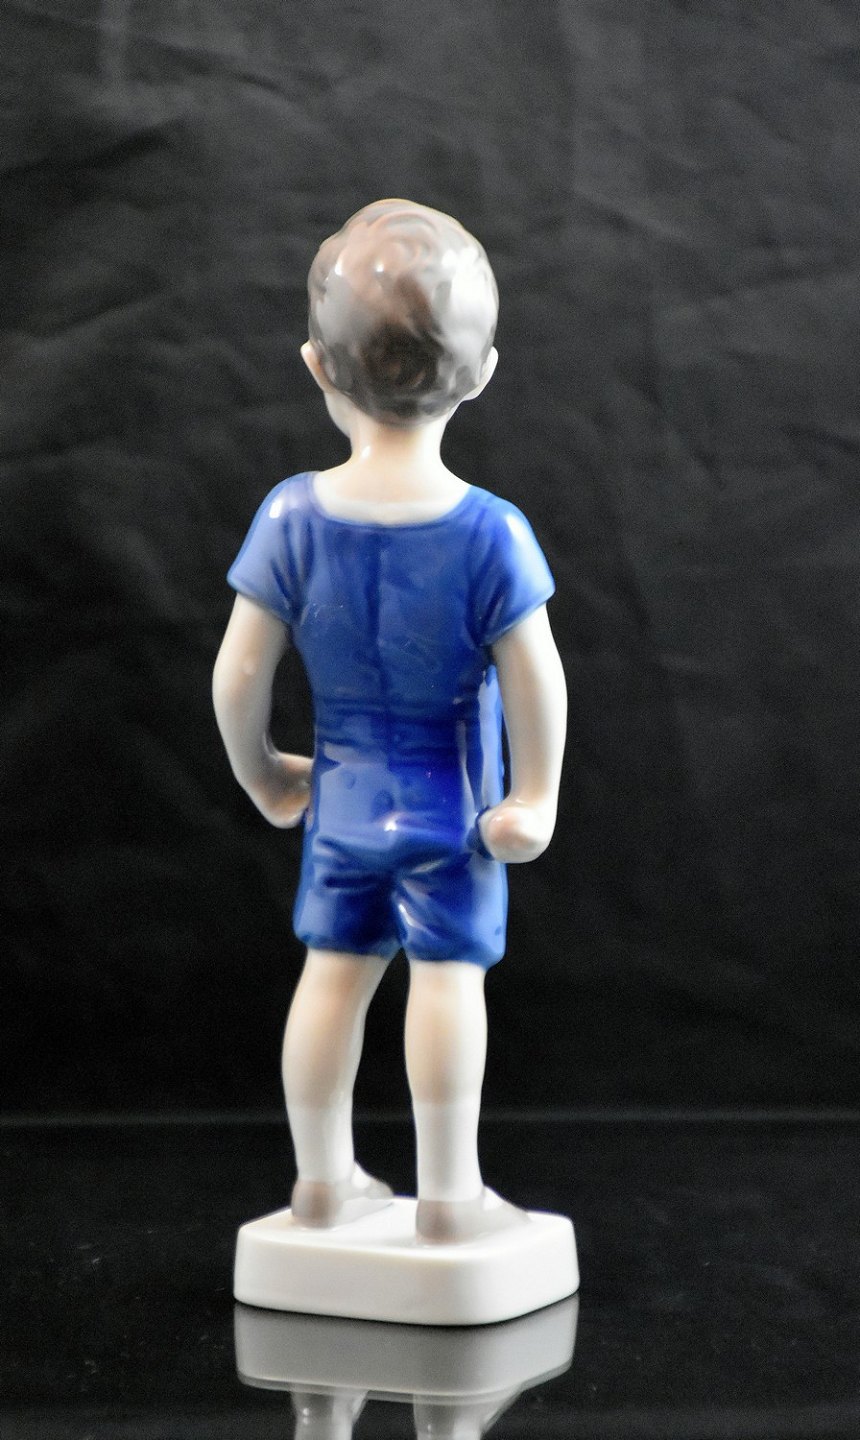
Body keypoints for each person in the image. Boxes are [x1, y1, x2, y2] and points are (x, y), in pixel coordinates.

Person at [213, 199, 567, 1243]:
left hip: (340, 800)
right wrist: (534, 797)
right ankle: (449, 1197)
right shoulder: (492, 533)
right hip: (452, 810)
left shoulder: (290, 516)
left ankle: (321, 1183)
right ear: (483, 371)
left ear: (315, 366)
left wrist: (262, 775)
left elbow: (237, 676)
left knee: (331, 979)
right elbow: (536, 677)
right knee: (447, 984)